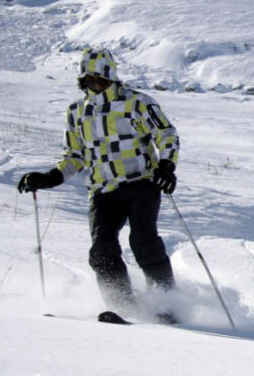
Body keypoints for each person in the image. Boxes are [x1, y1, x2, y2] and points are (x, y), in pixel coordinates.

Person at [17, 47, 181, 318]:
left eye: (101, 80)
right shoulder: (77, 111)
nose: (96, 85)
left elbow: (167, 135)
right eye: (89, 80)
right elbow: (75, 155)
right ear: (82, 81)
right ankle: (123, 307)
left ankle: (167, 307)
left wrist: (166, 165)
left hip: (140, 183)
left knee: (143, 242)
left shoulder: (137, 103)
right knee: (101, 251)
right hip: (102, 190)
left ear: (112, 78)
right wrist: (50, 177)